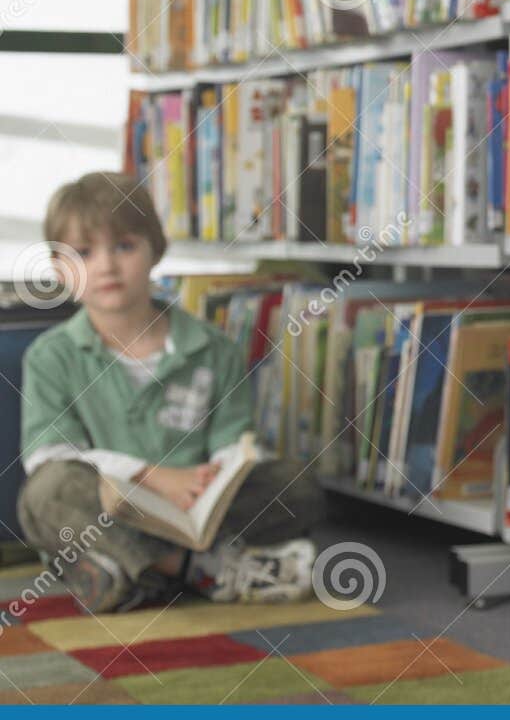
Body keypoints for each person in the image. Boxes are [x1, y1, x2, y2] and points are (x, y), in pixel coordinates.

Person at [17, 172, 328, 613]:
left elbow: (233, 443)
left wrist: (216, 477)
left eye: (124, 246)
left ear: (154, 250)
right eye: (85, 253)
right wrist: (150, 477)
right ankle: (203, 569)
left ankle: (127, 571)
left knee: (297, 486)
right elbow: (47, 453)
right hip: (109, 505)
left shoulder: (214, 348)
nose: (106, 265)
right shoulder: (50, 356)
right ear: (59, 270)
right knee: (45, 494)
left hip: (194, 507)